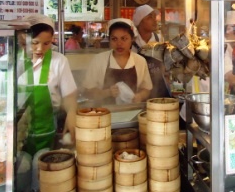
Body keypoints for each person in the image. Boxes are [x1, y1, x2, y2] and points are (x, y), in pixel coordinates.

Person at [19, 14, 78, 156]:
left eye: (47, 43)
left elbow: (69, 95)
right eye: (35, 42)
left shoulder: (59, 61)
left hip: (49, 130)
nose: (40, 49)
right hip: (17, 133)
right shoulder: (12, 61)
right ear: (24, 39)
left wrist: (71, 113)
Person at [83, 19, 152, 105]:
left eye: (124, 38)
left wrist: (140, 96)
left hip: (132, 110)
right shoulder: (99, 60)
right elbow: (87, 91)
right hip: (104, 112)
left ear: (132, 40)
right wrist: (107, 92)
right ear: (109, 40)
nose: (119, 43)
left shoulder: (140, 61)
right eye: (114, 39)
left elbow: (146, 89)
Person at [132, 4, 171, 98]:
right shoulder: (132, 42)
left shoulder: (159, 39)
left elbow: (165, 63)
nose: (155, 20)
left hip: (159, 88)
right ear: (140, 21)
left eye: (155, 16)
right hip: (139, 91)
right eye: (150, 17)